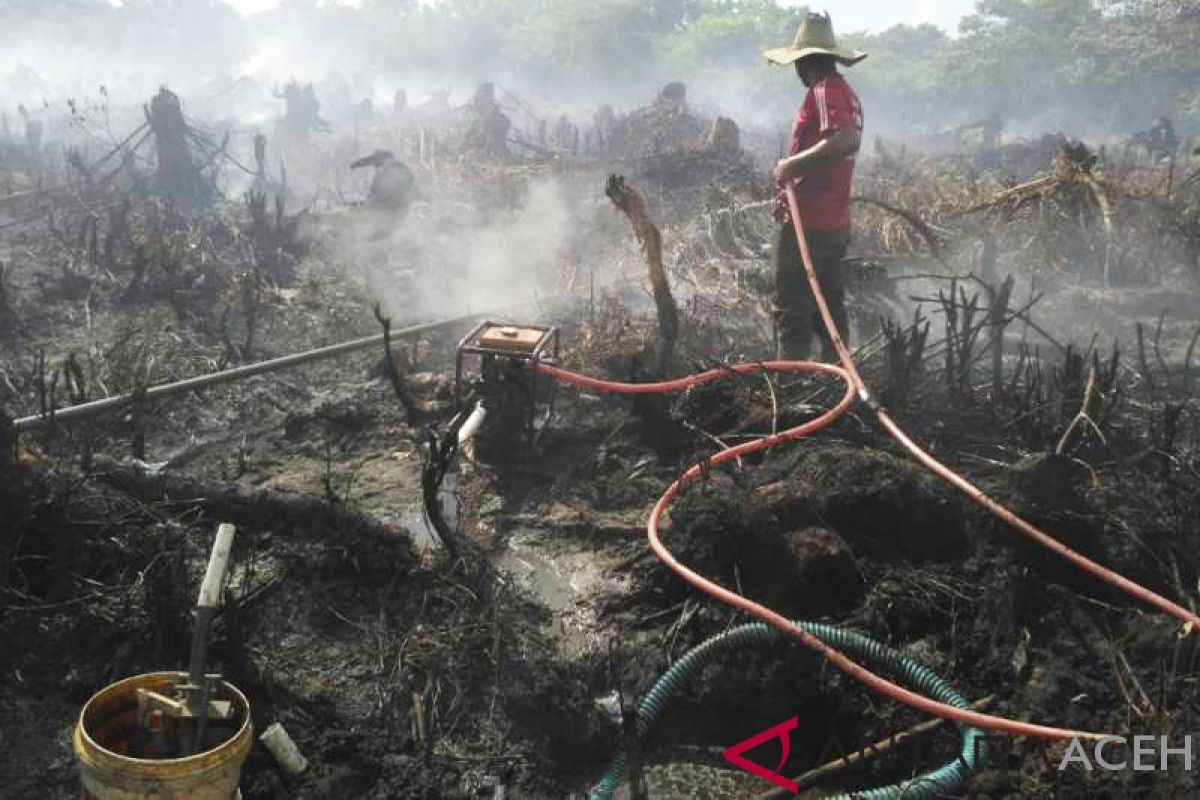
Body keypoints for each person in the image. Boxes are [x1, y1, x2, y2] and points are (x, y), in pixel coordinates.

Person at [764, 12, 866, 361]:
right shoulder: (843, 93)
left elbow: (845, 138)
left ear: (805, 61)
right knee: (828, 309)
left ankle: (790, 389)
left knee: (790, 307)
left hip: (808, 224)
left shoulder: (825, 91)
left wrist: (790, 165)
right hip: (831, 222)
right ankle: (836, 381)